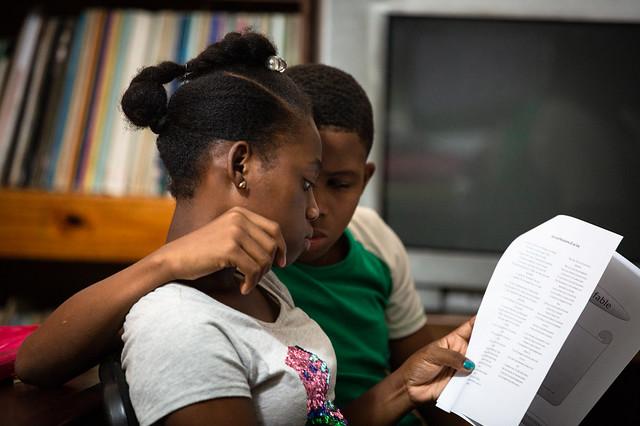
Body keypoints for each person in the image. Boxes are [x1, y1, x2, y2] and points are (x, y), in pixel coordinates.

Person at [16, 32, 475, 425]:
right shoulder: (180, 325)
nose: (316, 209)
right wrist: (165, 263)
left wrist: (402, 388)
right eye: (307, 183)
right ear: (241, 166)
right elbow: (35, 363)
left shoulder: (263, 284)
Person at [279, 64, 433, 425]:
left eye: (340, 184)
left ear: (364, 180)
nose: (316, 208)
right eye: (304, 182)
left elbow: (431, 386)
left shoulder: (374, 239)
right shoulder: (246, 265)